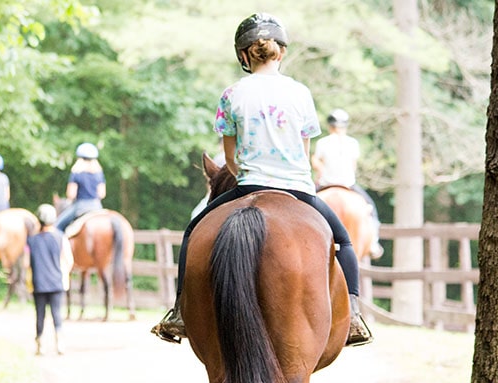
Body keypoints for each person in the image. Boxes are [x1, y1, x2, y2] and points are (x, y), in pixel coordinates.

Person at [151, 13, 373, 347]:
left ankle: (180, 312)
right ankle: (353, 316)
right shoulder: (300, 93)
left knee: (193, 231)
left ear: (244, 56)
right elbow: (303, 148)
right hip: (298, 189)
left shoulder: (232, 94)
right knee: (344, 242)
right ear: (280, 52)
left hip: (250, 184)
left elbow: (229, 159)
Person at [311, 108, 384, 258]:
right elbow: (353, 166)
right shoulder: (352, 143)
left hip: (326, 184)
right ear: (345, 126)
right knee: (371, 208)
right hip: (348, 185)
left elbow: (315, 161)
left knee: (303, 206)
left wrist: (320, 169)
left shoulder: (323, 142)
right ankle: (374, 242)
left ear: (330, 126)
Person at [27, 204, 67, 355]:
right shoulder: (61, 237)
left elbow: (26, 263)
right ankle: (60, 343)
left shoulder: (31, 241)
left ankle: (40, 345)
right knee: (57, 313)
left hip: (39, 283)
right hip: (57, 282)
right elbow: (67, 260)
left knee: (40, 314)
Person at [54, 143, 106, 232]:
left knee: (57, 227)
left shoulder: (76, 172)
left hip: (80, 207)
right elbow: (102, 194)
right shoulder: (99, 174)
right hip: (97, 207)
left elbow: (71, 194)